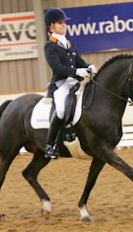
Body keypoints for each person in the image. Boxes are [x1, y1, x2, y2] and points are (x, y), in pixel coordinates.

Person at [43, 7, 97, 159]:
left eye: (64, 23)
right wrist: (76, 72)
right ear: (51, 26)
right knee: (60, 110)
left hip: (76, 82)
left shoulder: (69, 44)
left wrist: (88, 67)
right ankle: (50, 145)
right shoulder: (50, 46)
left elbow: (80, 62)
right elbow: (56, 67)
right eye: (60, 23)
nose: (64, 25)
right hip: (61, 84)